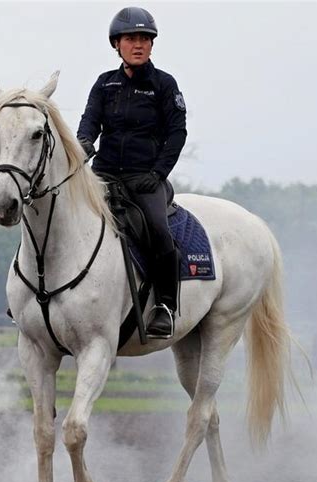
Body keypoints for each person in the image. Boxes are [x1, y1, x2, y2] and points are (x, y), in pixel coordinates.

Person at [77, 6, 187, 339]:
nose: (138, 44)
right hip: (104, 175)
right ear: (117, 44)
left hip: (145, 179)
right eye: (130, 39)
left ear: (152, 45)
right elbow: (88, 125)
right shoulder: (104, 84)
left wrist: (159, 172)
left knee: (158, 230)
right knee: (61, 217)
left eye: (144, 39)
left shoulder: (164, 85)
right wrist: (82, 147)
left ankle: (165, 306)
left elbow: (177, 133)